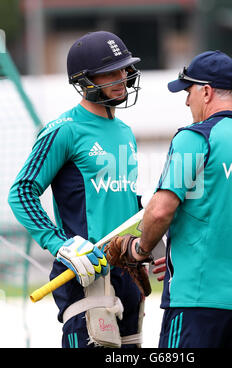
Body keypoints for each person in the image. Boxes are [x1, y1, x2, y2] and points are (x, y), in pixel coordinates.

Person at [125, 50, 232, 348]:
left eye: (188, 91)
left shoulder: (195, 137)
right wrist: (182, 254)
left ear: (207, 92)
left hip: (197, 301)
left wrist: (140, 249)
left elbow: (160, 212)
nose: (187, 101)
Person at [8, 31, 144, 348]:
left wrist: (150, 244)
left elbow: (126, 201)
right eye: (111, 71)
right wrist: (61, 245)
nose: (122, 77)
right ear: (84, 80)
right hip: (84, 274)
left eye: (125, 68)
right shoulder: (64, 130)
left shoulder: (126, 132)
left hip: (128, 276)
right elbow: (21, 192)